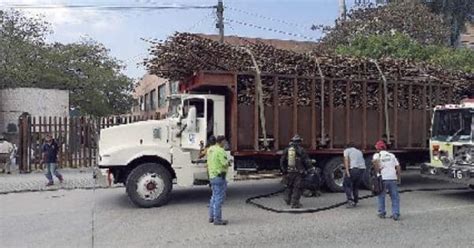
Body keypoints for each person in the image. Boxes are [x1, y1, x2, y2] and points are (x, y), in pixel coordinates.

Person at [280, 134, 312, 208]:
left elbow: (282, 161)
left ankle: (287, 199)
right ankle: (295, 203)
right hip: (298, 172)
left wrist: (284, 171)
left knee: (289, 186)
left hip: (289, 172)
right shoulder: (301, 150)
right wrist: (309, 168)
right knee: (297, 187)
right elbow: (306, 161)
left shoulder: (287, 149)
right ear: (299, 142)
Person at [372, 140, 401, 221]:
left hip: (383, 179)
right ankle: (395, 213)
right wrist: (398, 177)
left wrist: (378, 172)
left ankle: (382, 212)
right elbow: (398, 167)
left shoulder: (377, 155)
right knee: (395, 197)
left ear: (378, 148)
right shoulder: (392, 155)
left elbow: (376, 164)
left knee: (381, 196)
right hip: (392, 178)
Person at [207, 135, 230, 225]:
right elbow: (224, 163)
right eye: (224, 142)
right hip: (219, 176)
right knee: (219, 198)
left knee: (213, 197)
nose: (225, 144)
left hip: (212, 176)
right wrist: (228, 163)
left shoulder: (210, 149)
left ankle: (211, 217)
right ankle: (217, 219)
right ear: (222, 141)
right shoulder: (220, 151)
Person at [343, 143, 366, 208]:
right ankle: (355, 200)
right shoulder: (359, 151)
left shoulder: (347, 150)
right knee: (355, 185)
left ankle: (350, 200)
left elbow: (346, 160)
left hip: (354, 169)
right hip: (362, 169)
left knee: (347, 184)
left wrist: (347, 171)